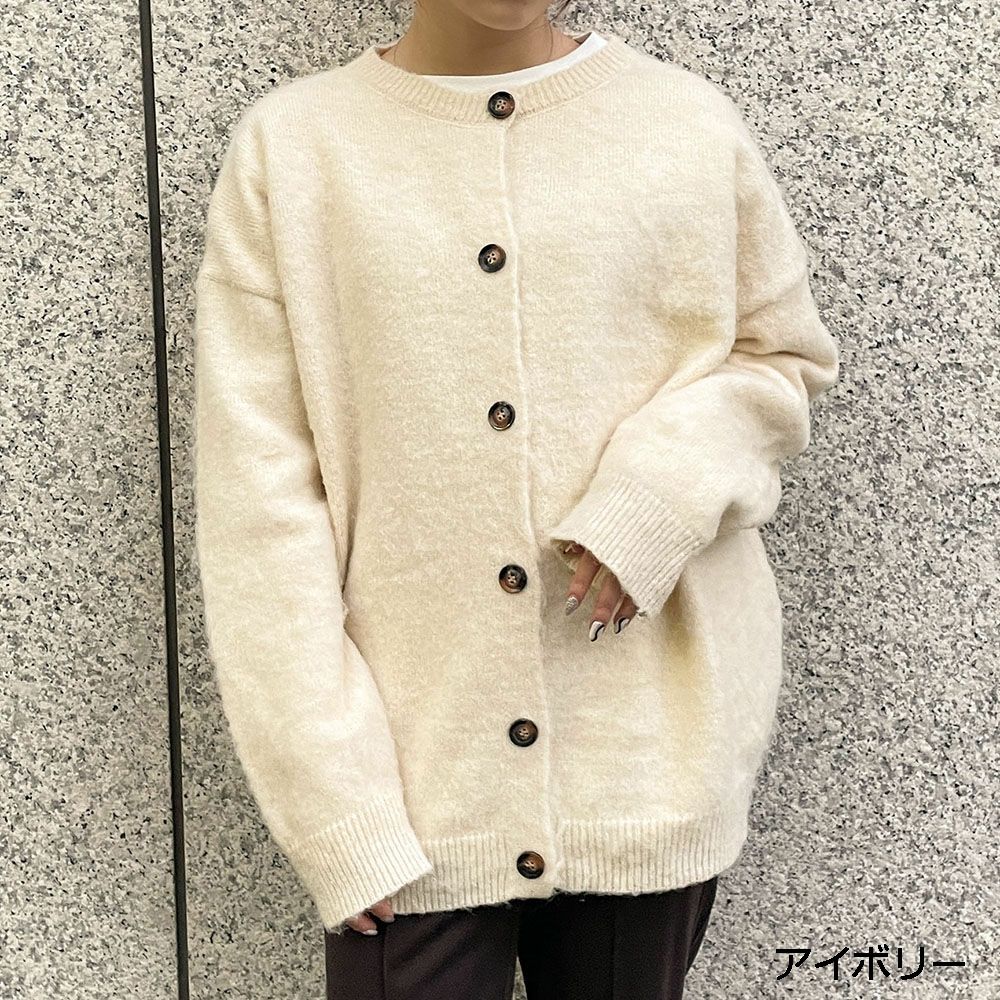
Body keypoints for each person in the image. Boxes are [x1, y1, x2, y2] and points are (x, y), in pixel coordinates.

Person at [192, 1, 840, 997]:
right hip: (410, 778)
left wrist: (652, 501)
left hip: (641, 756)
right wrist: (333, 802)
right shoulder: (296, 150)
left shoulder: (684, 125)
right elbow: (259, 505)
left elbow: (780, 359)